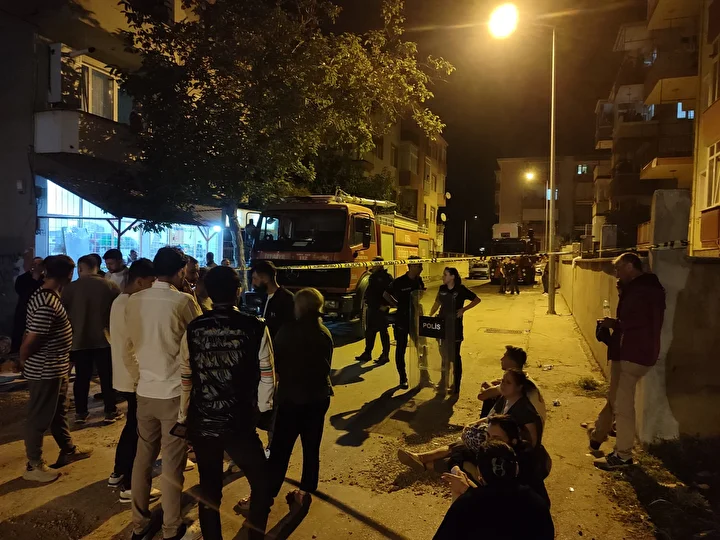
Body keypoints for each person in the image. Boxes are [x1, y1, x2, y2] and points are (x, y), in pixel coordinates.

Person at [178, 266, 275, 540]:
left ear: (209, 292)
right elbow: (268, 375)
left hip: (203, 421)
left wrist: (183, 415)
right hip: (239, 423)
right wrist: (263, 410)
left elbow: (186, 377)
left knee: (209, 490)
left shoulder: (194, 328)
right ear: (238, 291)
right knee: (262, 483)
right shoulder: (256, 326)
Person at [126, 247, 203, 540]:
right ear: (181, 271)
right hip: (174, 392)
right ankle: (171, 527)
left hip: (145, 389)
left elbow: (129, 345)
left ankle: (139, 522)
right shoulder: (183, 301)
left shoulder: (134, 300)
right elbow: (199, 340)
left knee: (143, 457)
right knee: (172, 462)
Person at [18, 255, 93, 483]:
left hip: (55, 367)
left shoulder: (45, 295)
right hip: (45, 369)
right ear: (69, 274)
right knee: (39, 417)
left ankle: (68, 449)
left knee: (58, 411)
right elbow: (32, 339)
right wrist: (23, 360)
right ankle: (34, 465)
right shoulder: (47, 302)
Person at [590, 252, 666, 470]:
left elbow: (634, 322)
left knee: (623, 406)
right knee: (617, 400)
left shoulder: (641, 291)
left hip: (633, 353)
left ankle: (622, 455)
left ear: (631, 266)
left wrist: (614, 324)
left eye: (619, 268)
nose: (617, 273)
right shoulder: (647, 288)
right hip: (637, 351)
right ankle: (600, 434)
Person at [397, 368, 542, 474]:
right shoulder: (506, 398)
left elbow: (532, 443)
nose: (503, 384)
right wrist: (474, 424)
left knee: (461, 453)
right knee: (460, 445)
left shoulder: (524, 410)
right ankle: (422, 459)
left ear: (519, 387)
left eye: (508, 382)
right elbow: (491, 418)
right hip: (493, 442)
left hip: (504, 451)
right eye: (503, 381)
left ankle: (426, 463)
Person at [268, 288, 333, 507]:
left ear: (299, 307)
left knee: (280, 449)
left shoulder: (287, 331)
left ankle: (267, 494)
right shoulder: (324, 332)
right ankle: (304, 491)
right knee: (311, 447)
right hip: (319, 397)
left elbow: (274, 364)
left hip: (292, 399)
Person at [108, 259, 159, 503]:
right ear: (139, 281)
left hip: (125, 376)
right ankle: (130, 485)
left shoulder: (120, 301)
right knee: (140, 432)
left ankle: (118, 472)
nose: (152, 287)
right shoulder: (131, 304)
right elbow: (130, 347)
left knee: (132, 427)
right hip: (135, 378)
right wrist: (141, 378)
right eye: (151, 282)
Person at [433, 441, 555, 540]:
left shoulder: (466, 504)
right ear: (516, 469)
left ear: (479, 473)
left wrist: (459, 495)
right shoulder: (537, 503)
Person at [61, 254, 122, 424]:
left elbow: (63, 313)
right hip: (105, 339)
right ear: (98, 267)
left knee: (82, 377)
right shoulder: (110, 286)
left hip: (79, 339)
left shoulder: (70, 288)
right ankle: (110, 411)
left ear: (80, 268)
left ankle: (81, 413)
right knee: (107, 377)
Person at [430, 267, 481, 394]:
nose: (443, 277)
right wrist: (430, 316)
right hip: (442, 325)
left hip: (455, 327)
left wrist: (463, 309)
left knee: (455, 356)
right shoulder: (442, 288)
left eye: (445, 275)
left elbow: (477, 300)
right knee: (444, 355)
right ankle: (443, 381)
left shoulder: (461, 289)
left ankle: (456, 384)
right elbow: (437, 303)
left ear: (452, 277)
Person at [384, 256, 425, 389]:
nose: (421, 268)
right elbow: (386, 294)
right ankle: (403, 378)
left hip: (416, 319)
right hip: (402, 319)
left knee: (421, 347)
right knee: (401, 348)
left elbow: (422, 295)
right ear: (411, 266)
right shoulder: (399, 282)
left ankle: (424, 376)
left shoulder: (419, 280)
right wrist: (396, 304)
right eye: (419, 266)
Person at [478, 346, 546, 424]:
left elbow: (481, 396)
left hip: (525, 426)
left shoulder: (517, 382)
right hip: (533, 423)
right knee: (496, 395)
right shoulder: (521, 376)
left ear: (512, 362)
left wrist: (485, 388)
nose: (501, 359)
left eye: (505, 357)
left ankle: (485, 428)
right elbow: (495, 383)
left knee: (491, 399)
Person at [355, 257, 392, 364]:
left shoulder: (386, 277)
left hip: (381, 308)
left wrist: (386, 305)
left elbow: (391, 292)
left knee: (383, 331)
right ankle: (367, 353)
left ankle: (385, 355)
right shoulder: (373, 276)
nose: (373, 266)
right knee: (370, 331)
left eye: (375, 264)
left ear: (380, 265)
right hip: (372, 307)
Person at [251, 260, 295, 339]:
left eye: (255, 278)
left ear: (265, 279)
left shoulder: (287, 299)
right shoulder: (264, 297)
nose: (253, 283)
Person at [11, 256, 44, 353]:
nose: (36, 267)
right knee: (20, 333)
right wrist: (34, 280)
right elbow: (25, 294)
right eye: (35, 264)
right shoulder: (22, 279)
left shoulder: (45, 280)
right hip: (23, 310)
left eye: (39, 265)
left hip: (38, 312)